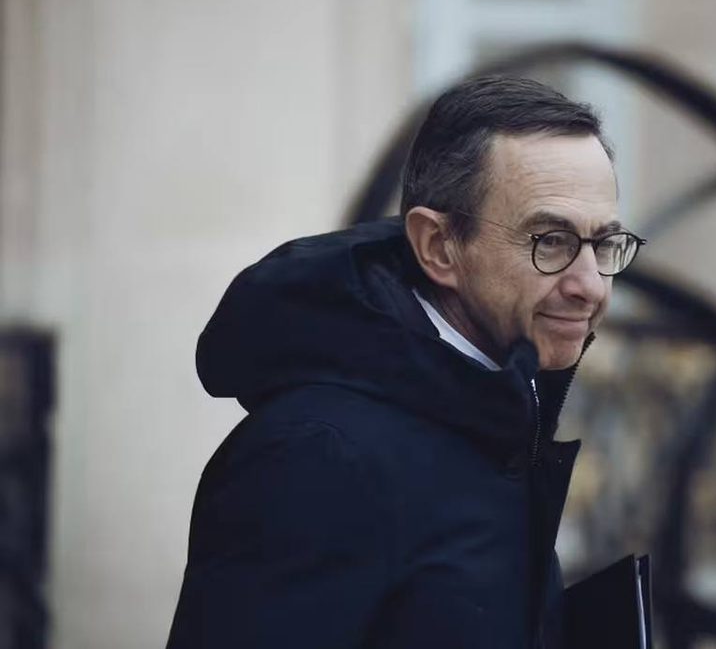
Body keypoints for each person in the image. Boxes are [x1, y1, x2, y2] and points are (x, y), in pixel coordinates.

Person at [166, 75, 645, 648]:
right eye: (550, 241)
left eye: (604, 245)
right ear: (438, 246)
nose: (589, 285)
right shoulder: (316, 453)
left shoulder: (501, 415)